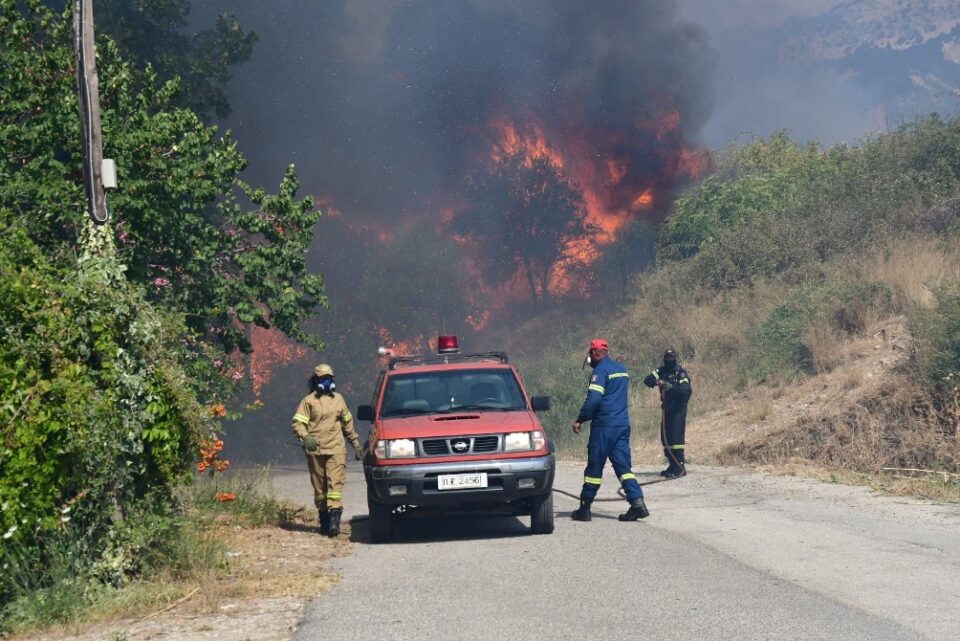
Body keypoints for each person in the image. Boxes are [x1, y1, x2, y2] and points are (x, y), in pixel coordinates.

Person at [571, 339, 649, 522]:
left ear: (594, 353)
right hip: (622, 425)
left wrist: (581, 419)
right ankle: (637, 504)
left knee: (595, 466)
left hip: (604, 426)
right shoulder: (621, 369)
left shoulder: (601, 371)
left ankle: (585, 508)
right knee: (624, 467)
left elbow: (594, 400)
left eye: (590, 354)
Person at [291, 363, 363, 537]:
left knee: (335, 484)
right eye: (323, 378)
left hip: (336, 448)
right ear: (316, 380)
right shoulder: (308, 401)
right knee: (320, 487)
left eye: (329, 378)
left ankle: (334, 522)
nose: (327, 381)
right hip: (315, 450)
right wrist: (305, 436)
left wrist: (356, 444)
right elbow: (298, 423)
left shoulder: (338, 399)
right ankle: (324, 519)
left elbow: (347, 424)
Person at [643, 349, 692, 478]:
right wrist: (657, 382)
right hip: (667, 408)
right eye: (667, 357)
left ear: (675, 358)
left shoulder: (680, 372)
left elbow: (685, 390)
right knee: (666, 437)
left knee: (676, 438)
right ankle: (672, 464)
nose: (669, 359)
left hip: (678, 408)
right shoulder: (660, 371)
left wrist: (670, 386)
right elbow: (647, 379)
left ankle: (680, 466)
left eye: (671, 357)